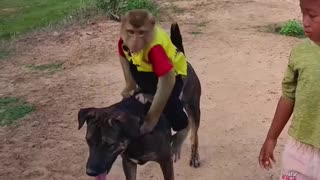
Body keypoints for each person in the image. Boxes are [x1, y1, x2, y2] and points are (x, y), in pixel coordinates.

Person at [258, 0, 320, 179]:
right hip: (299, 148)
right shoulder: (300, 53)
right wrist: (272, 137)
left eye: (312, 15)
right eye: (303, 13)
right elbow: (288, 96)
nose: (305, 22)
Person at [117, 10, 189, 134]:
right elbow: (123, 55)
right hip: (147, 68)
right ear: (123, 28)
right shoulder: (123, 41)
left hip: (172, 72)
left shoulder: (155, 48)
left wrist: (151, 119)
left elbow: (168, 79)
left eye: (141, 33)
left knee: (169, 105)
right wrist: (130, 84)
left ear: (151, 29)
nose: (134, 41)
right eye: (131, 32)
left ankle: (183, 127)